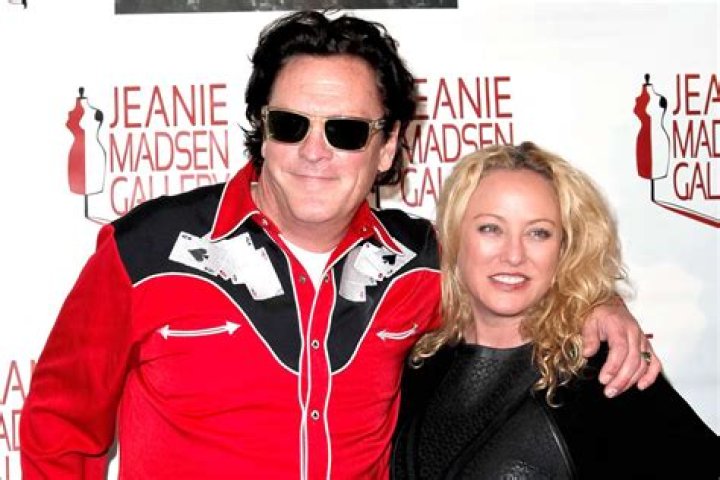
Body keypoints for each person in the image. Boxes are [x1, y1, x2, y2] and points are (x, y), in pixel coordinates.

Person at [21, 11, 659, 480]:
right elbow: (57, 427)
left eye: (347, 131)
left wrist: (599, 302)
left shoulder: (421, 262)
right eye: (290, 124)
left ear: (387, 148)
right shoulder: (146, 252)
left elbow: (516, 275)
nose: (315, 151)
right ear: (262, 132)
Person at [392, 142, 718, 479]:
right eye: (490, 228)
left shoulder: (603, 370)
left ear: (564, 248)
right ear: (455, 237)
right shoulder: (417, 361)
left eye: (538, 233)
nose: (514, 255)